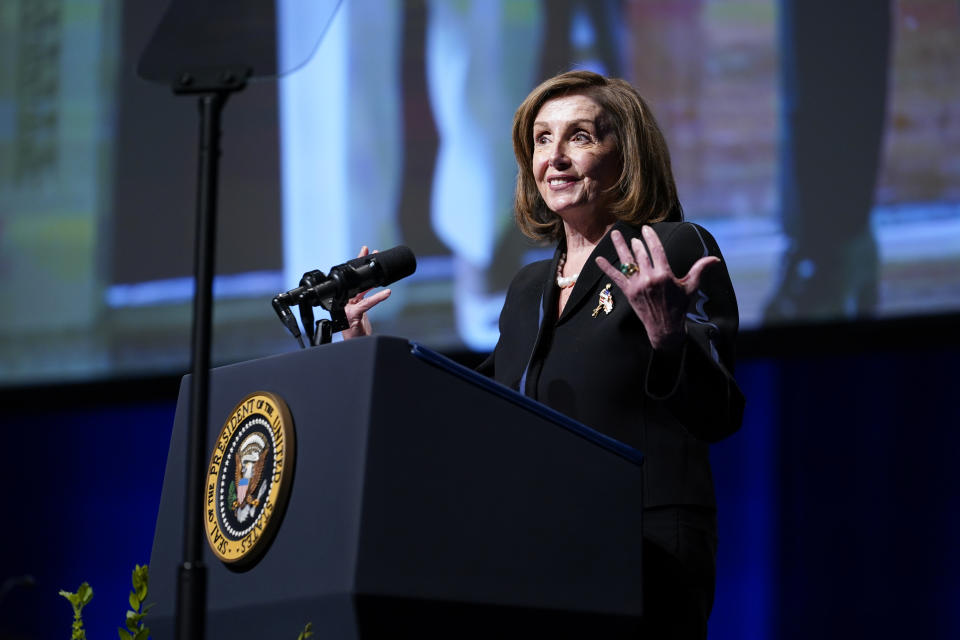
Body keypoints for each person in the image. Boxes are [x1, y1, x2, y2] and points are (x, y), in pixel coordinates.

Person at [346, 70, 744, 638]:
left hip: (643, 548)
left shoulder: (670, 247)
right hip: (538, 551)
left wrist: (668, 336)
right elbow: (478, 402)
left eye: (580, 136)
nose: (554, 157)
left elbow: (722, 411)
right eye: (541, 139)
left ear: (625, 155)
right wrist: (369, 359)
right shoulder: (529, 287)